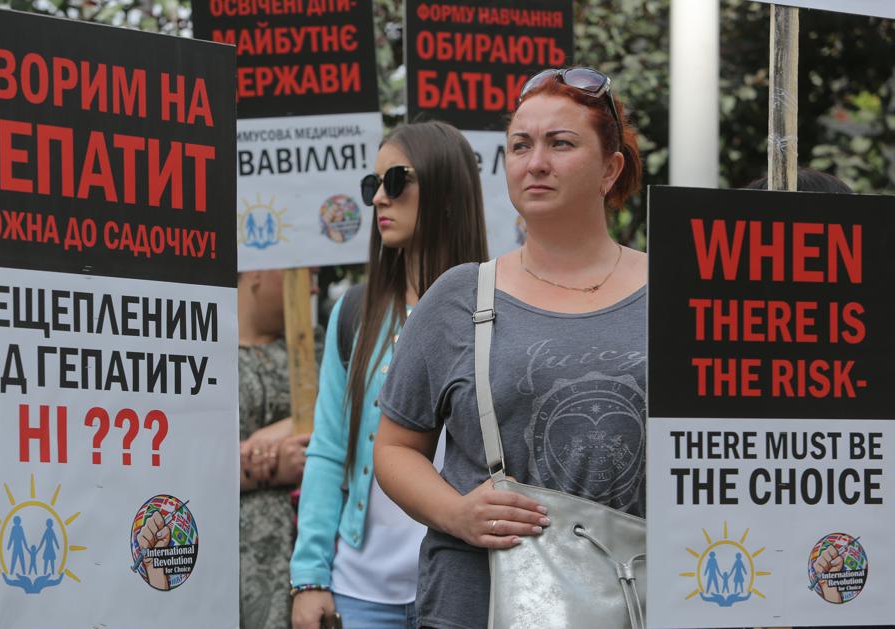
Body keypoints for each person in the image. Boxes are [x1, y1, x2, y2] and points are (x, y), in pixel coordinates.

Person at [374, 68, 646, 628]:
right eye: (520, 146)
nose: (535, 162)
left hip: (638, 598)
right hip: (476, 602)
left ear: (610, 168)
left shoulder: (681, 296)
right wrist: (457, 513)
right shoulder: (457, 296)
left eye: (561, 143)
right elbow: (395, 449)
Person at [290, 121, 489, 629]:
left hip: (465, 586)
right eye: (372, 184)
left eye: (396, 180)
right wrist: (310, 577)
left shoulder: (496, 311)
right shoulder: (356, 310)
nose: (379, 197)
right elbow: (329, 450)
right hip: (360, 594)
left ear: (446, 191)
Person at [238, 270, 320, 629]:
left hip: (308, 557)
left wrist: (274, 436)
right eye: (305, 274)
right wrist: (266, 467)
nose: (314, 287)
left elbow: (355, 409)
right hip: (231, 562)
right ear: (257, 272)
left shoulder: (317, 348)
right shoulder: (199, 348)